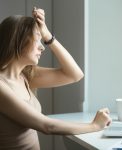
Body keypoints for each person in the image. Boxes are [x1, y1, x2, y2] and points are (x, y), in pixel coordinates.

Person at [0, 7, 111, 150]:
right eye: (37, 40)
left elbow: (75, 75)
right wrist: (94, 126)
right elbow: (47, 126)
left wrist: (47, 35)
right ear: (18, 42)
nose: (42, 47)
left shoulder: (25, 75)